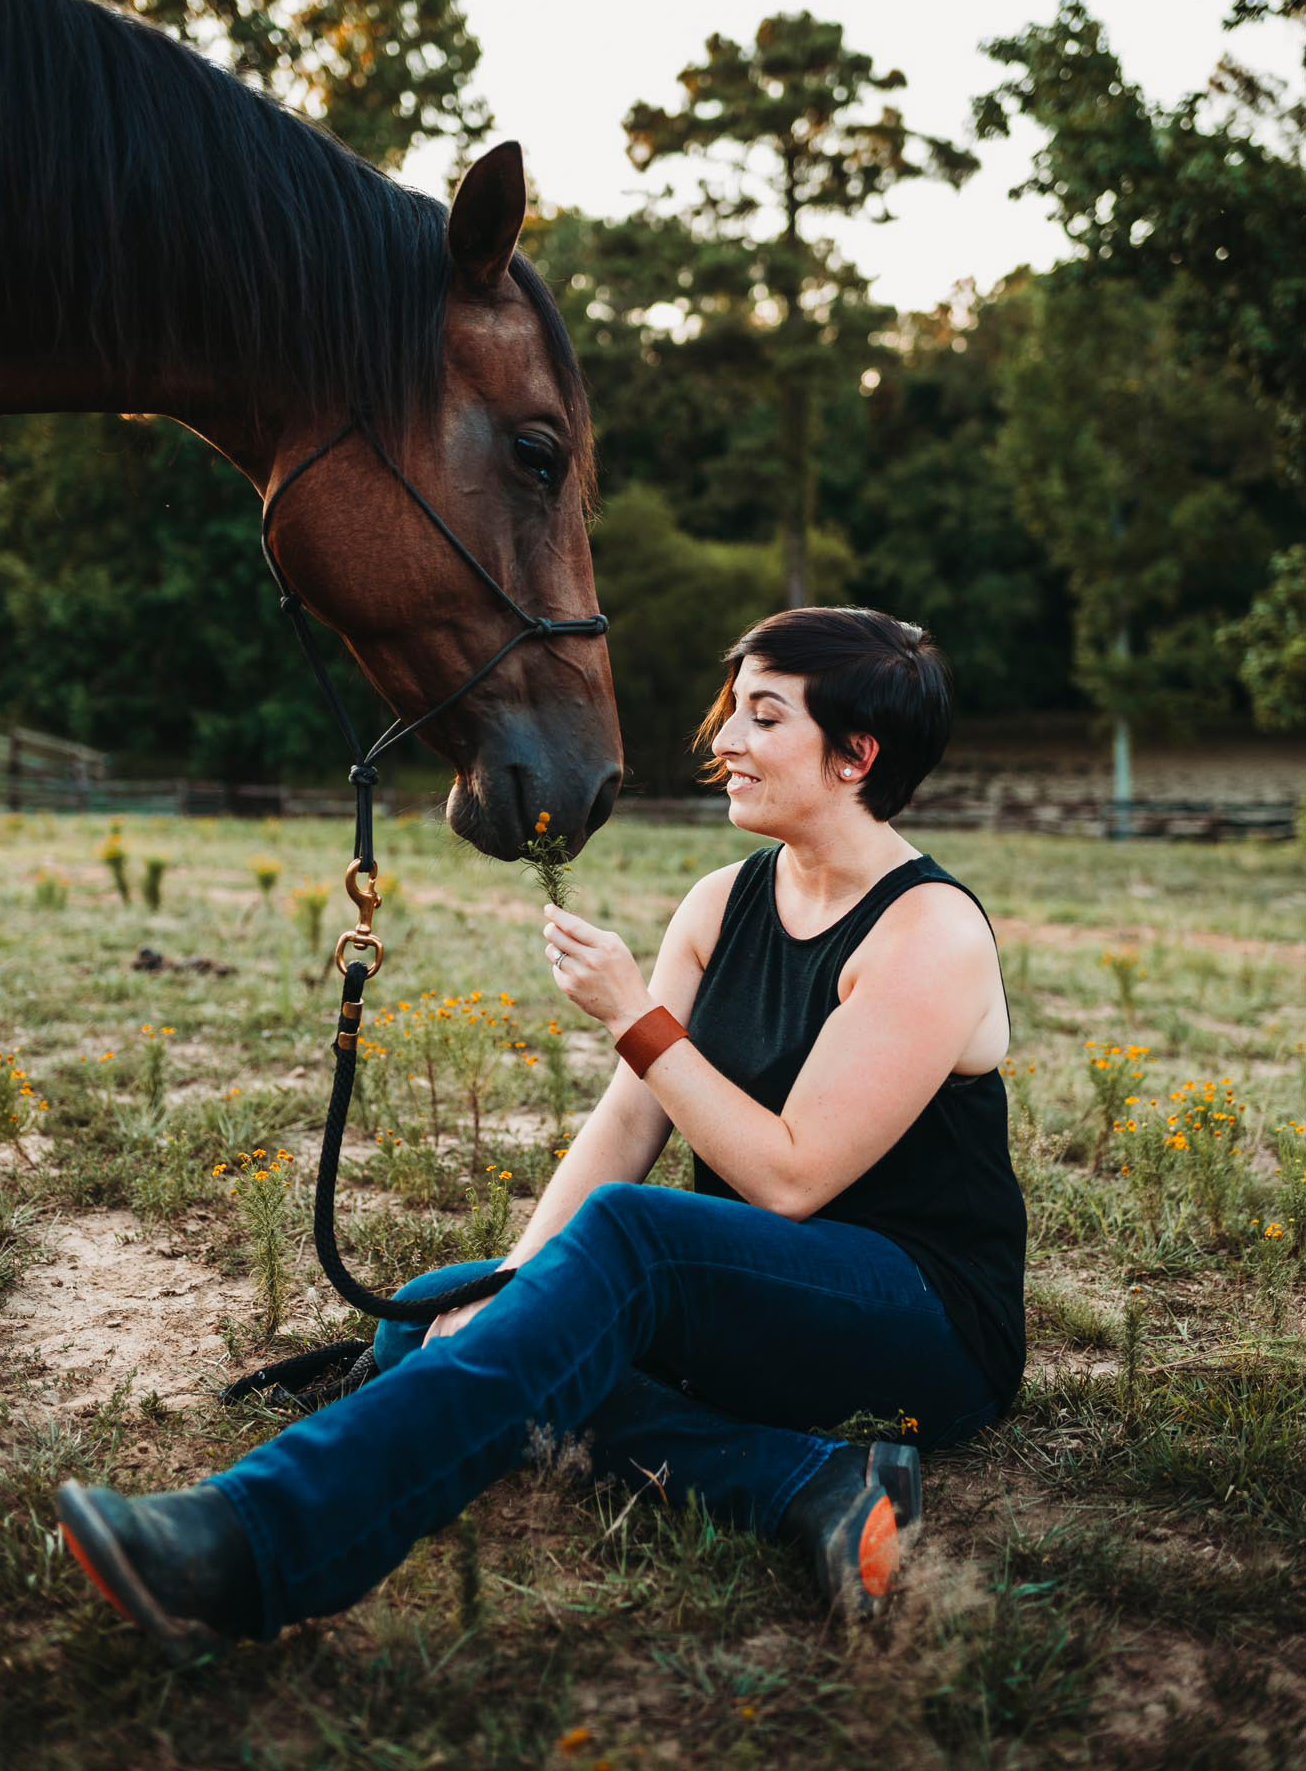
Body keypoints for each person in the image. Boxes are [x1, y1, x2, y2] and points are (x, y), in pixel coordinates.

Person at [56, 606, 1025, 1659]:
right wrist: (507, 1285)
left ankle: (252, 1543)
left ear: (855, 756)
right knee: (433, 1314)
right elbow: (631, 1114)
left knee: (625, 1241)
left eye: (764, 715)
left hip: (920, 1322)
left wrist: (632, 1015)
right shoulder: (722, 902)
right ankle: (808, 1478)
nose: (724, 740)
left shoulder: (927, 932)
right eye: (731, 708)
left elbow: (790, 1179)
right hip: (760, 1301)